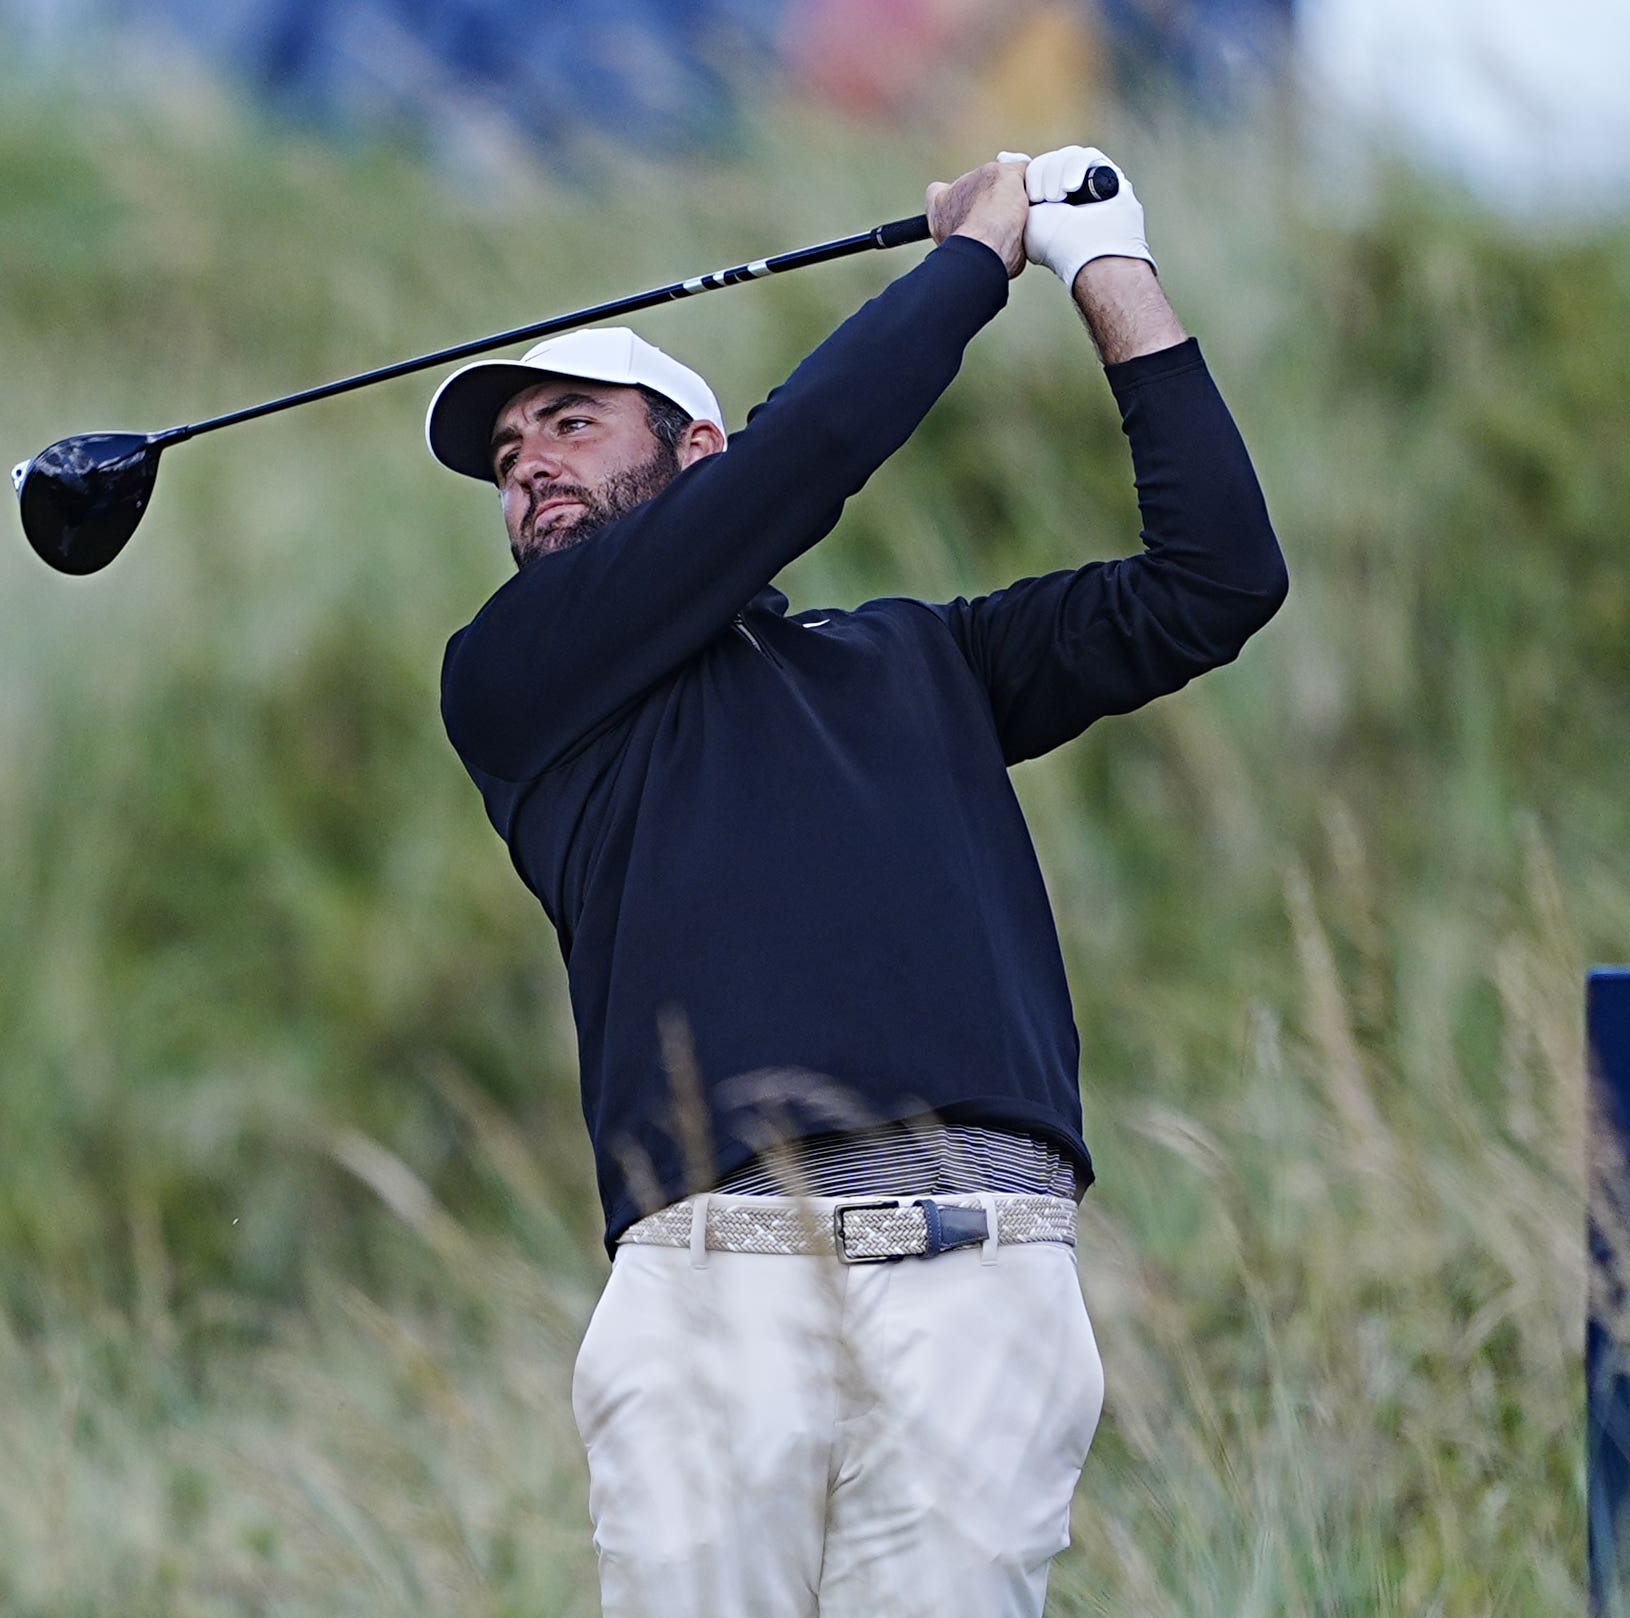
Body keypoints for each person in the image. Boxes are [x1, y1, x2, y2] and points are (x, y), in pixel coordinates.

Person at [423, 146, 1286, 1618]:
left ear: (688, 446)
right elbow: (801, 461)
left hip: (981, 1273)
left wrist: (1103, 263)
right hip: (715, 1288)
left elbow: (1217, 581)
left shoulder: (917, 658)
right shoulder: (522, 679)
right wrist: (967, 264)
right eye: (509, 462)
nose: (530, 473)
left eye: (568, 425)